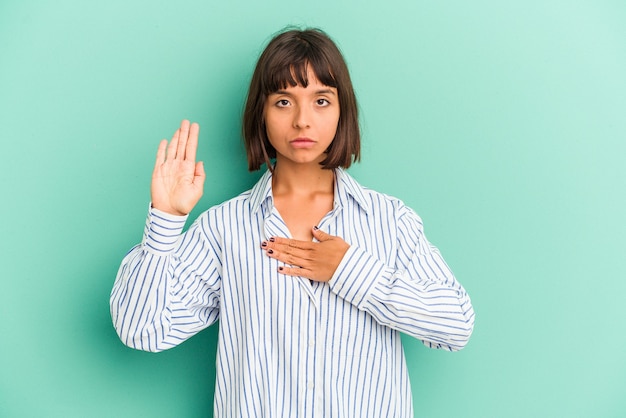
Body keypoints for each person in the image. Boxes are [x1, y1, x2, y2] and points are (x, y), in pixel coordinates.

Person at [110, 28, 475, 418]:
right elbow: (142, 330)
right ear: (262, 113)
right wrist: (165, 220)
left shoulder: (390, 220)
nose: (303, 121)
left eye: (321, 100)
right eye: (284, 101)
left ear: (342, 111)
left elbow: (456, 325)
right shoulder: (224, 228)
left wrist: (349, 270)